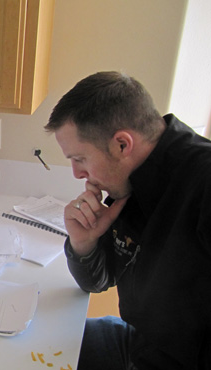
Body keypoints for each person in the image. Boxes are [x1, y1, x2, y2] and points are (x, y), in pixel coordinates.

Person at [44, 71, 211, 370]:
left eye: (79, 159)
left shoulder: (203, 184)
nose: (77, 174)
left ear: (122, 145)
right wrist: (84, 244)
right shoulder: (129, 185)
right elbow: (97, 281)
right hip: (139, 342)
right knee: (36, 342)